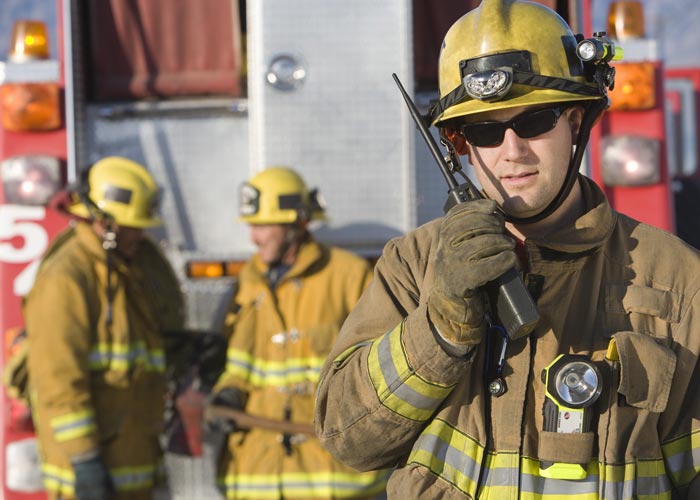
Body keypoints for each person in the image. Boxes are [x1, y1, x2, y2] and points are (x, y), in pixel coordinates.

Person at [314, 0, 700, 498]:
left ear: (576, 122)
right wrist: (439, 329)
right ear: (460, 144)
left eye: (535, 121)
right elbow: (349, 441)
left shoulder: (678, 280)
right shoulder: (412, 266)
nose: (512, 151)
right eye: (485, 130)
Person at [208, 167, 389, 499]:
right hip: (259, 474)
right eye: (252, 226)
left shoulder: (349, 277)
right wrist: (227, 393)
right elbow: (238, 365)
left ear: (298, 223)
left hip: (330, 477)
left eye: (263, 226)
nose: (254, 237)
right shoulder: (249, 281)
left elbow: (379, 370)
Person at [24, 156, 184, 499]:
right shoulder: (67, 278)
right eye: (131, 226)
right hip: (92, 473)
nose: (140, 235)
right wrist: (85, 459)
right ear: (103, 221)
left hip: (135, 462)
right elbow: (58, 379)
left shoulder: (133, 269)